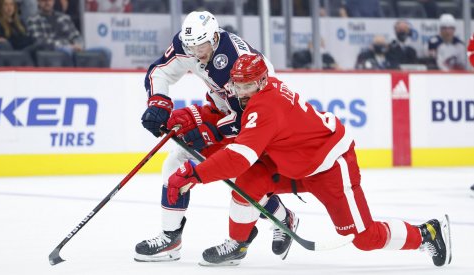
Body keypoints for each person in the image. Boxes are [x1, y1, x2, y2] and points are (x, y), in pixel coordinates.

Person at [166, 54, 452, 267]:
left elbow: (240, 155)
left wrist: (195, 173)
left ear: (263, 81)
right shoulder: (264, 91)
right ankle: (238, 245)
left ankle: (426, 233)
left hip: (329, 167)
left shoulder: (265, 107)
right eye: (238, 86)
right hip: (292, 162)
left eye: (248, 86)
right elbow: (242, 134)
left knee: (365, 239)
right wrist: (198, 118)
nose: (241, 93)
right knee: (249, 182)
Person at [136, 11, 298, 263]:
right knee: (176, 161)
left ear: (214, 38)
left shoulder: (241, 60)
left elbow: (255, 113)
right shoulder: (187, 44)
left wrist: (215, 131)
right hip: (222, 111)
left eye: (199, 47)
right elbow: (160, 71)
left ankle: (277, 218)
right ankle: (170, 238)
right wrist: (159, 102)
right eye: (189, 47)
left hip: (255, 120)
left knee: (243, 176)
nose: (193, 53)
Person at [26, 0, 111, 66]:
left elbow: (77, 36)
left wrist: (79, 45)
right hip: (54, 51)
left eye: (49, 0)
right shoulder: (33, 20)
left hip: (74, 49)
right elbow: (40, 42)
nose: (47, 2)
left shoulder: (64, 17)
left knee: (105, 52)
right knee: (67, 51)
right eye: (43, 0)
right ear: (38, 2)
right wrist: (65, 46)